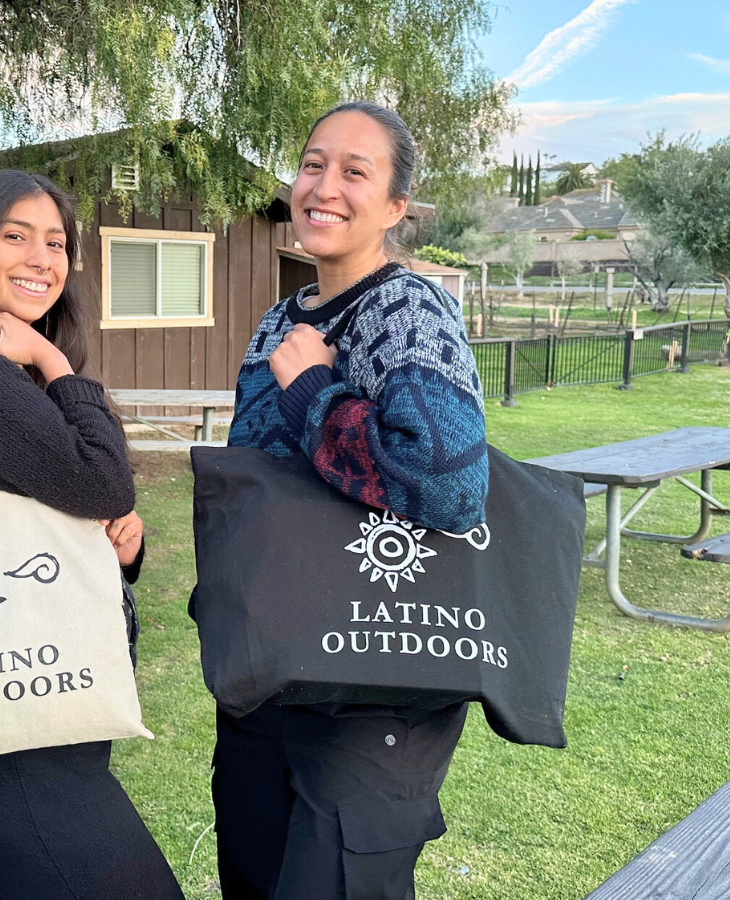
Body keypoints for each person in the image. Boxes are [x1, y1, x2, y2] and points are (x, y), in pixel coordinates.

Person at [210, 102, 490, 899]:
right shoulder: (278, 321)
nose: (323, 186)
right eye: (311, 163)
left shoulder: (407, 309)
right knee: (254, 878)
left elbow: (450, 485)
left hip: (373, 683)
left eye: (354, 171)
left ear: (396, 207)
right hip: (275, 663)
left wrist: (315, 390)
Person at [0, 169, 184, 900]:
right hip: (14, 729)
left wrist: (123, 541)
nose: (41, 259)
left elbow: (80, 504)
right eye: (15, 235)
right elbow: (101, 481)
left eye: (56, 242)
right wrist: (54, 363)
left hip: (37, 694)